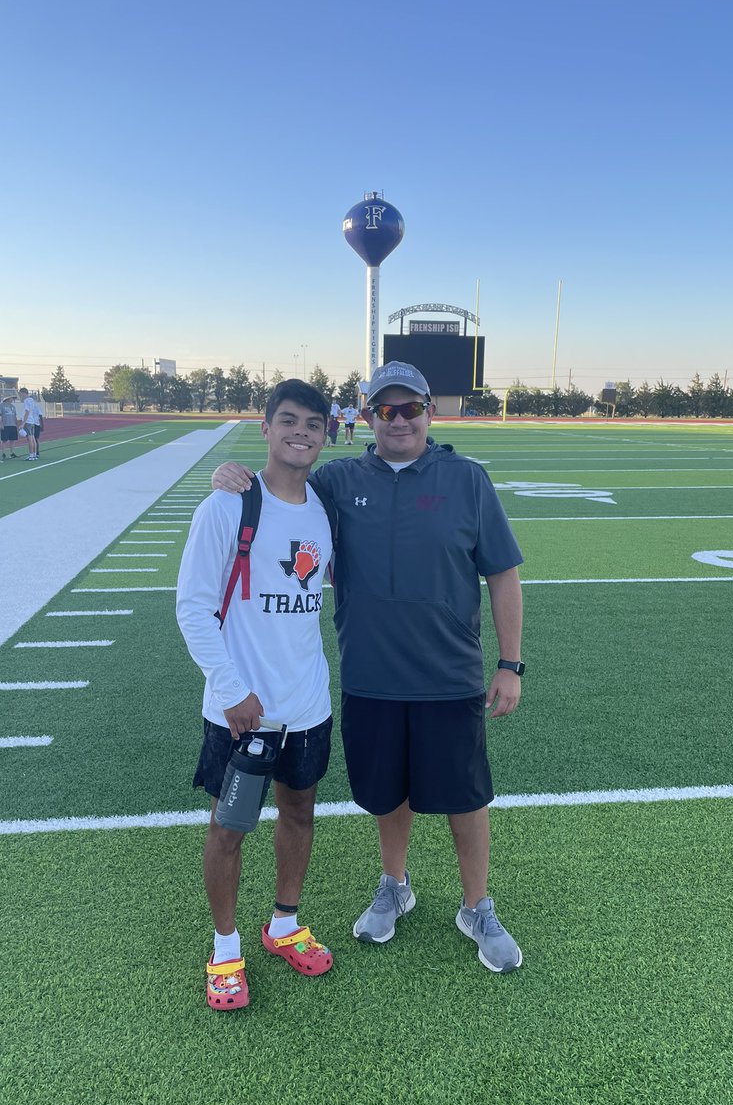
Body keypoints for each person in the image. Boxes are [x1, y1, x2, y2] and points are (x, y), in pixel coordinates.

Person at [213, 360, 526, 974]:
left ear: (429, 411)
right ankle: (394, 885)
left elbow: (503, 575)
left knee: (466, 795)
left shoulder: (467, 479)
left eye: (411, 408)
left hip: (449, 674)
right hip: (370, 676)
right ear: (366, 416)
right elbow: (284, 493)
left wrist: (510, 663)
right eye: (386, 409)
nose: (400, 420)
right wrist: (237, 480)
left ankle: (477, 905)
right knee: (389, 793)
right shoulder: (336, 481)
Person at [177, 378, 336, 1011]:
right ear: (265, 427)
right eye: (289, 421)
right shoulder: (227, 505)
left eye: (314, 424)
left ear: (327, 434)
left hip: (307, 705)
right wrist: (232, 688)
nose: (301, 432)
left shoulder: (325, 509)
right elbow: (192, 608)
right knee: (230, 826)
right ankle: (224, 948)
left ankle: (283, 925)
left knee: (300, 815)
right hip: (243, 712)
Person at [18, 388, 41, 461]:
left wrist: (23, 423)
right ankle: (34, 454)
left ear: (24, 393)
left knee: (30, 439)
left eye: (21, 394)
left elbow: (27, 412)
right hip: (32, 421)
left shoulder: (26, 400)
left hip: (28, 421)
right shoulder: (31, 400)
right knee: (33, 438)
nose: (20, 395)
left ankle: (31, 455)